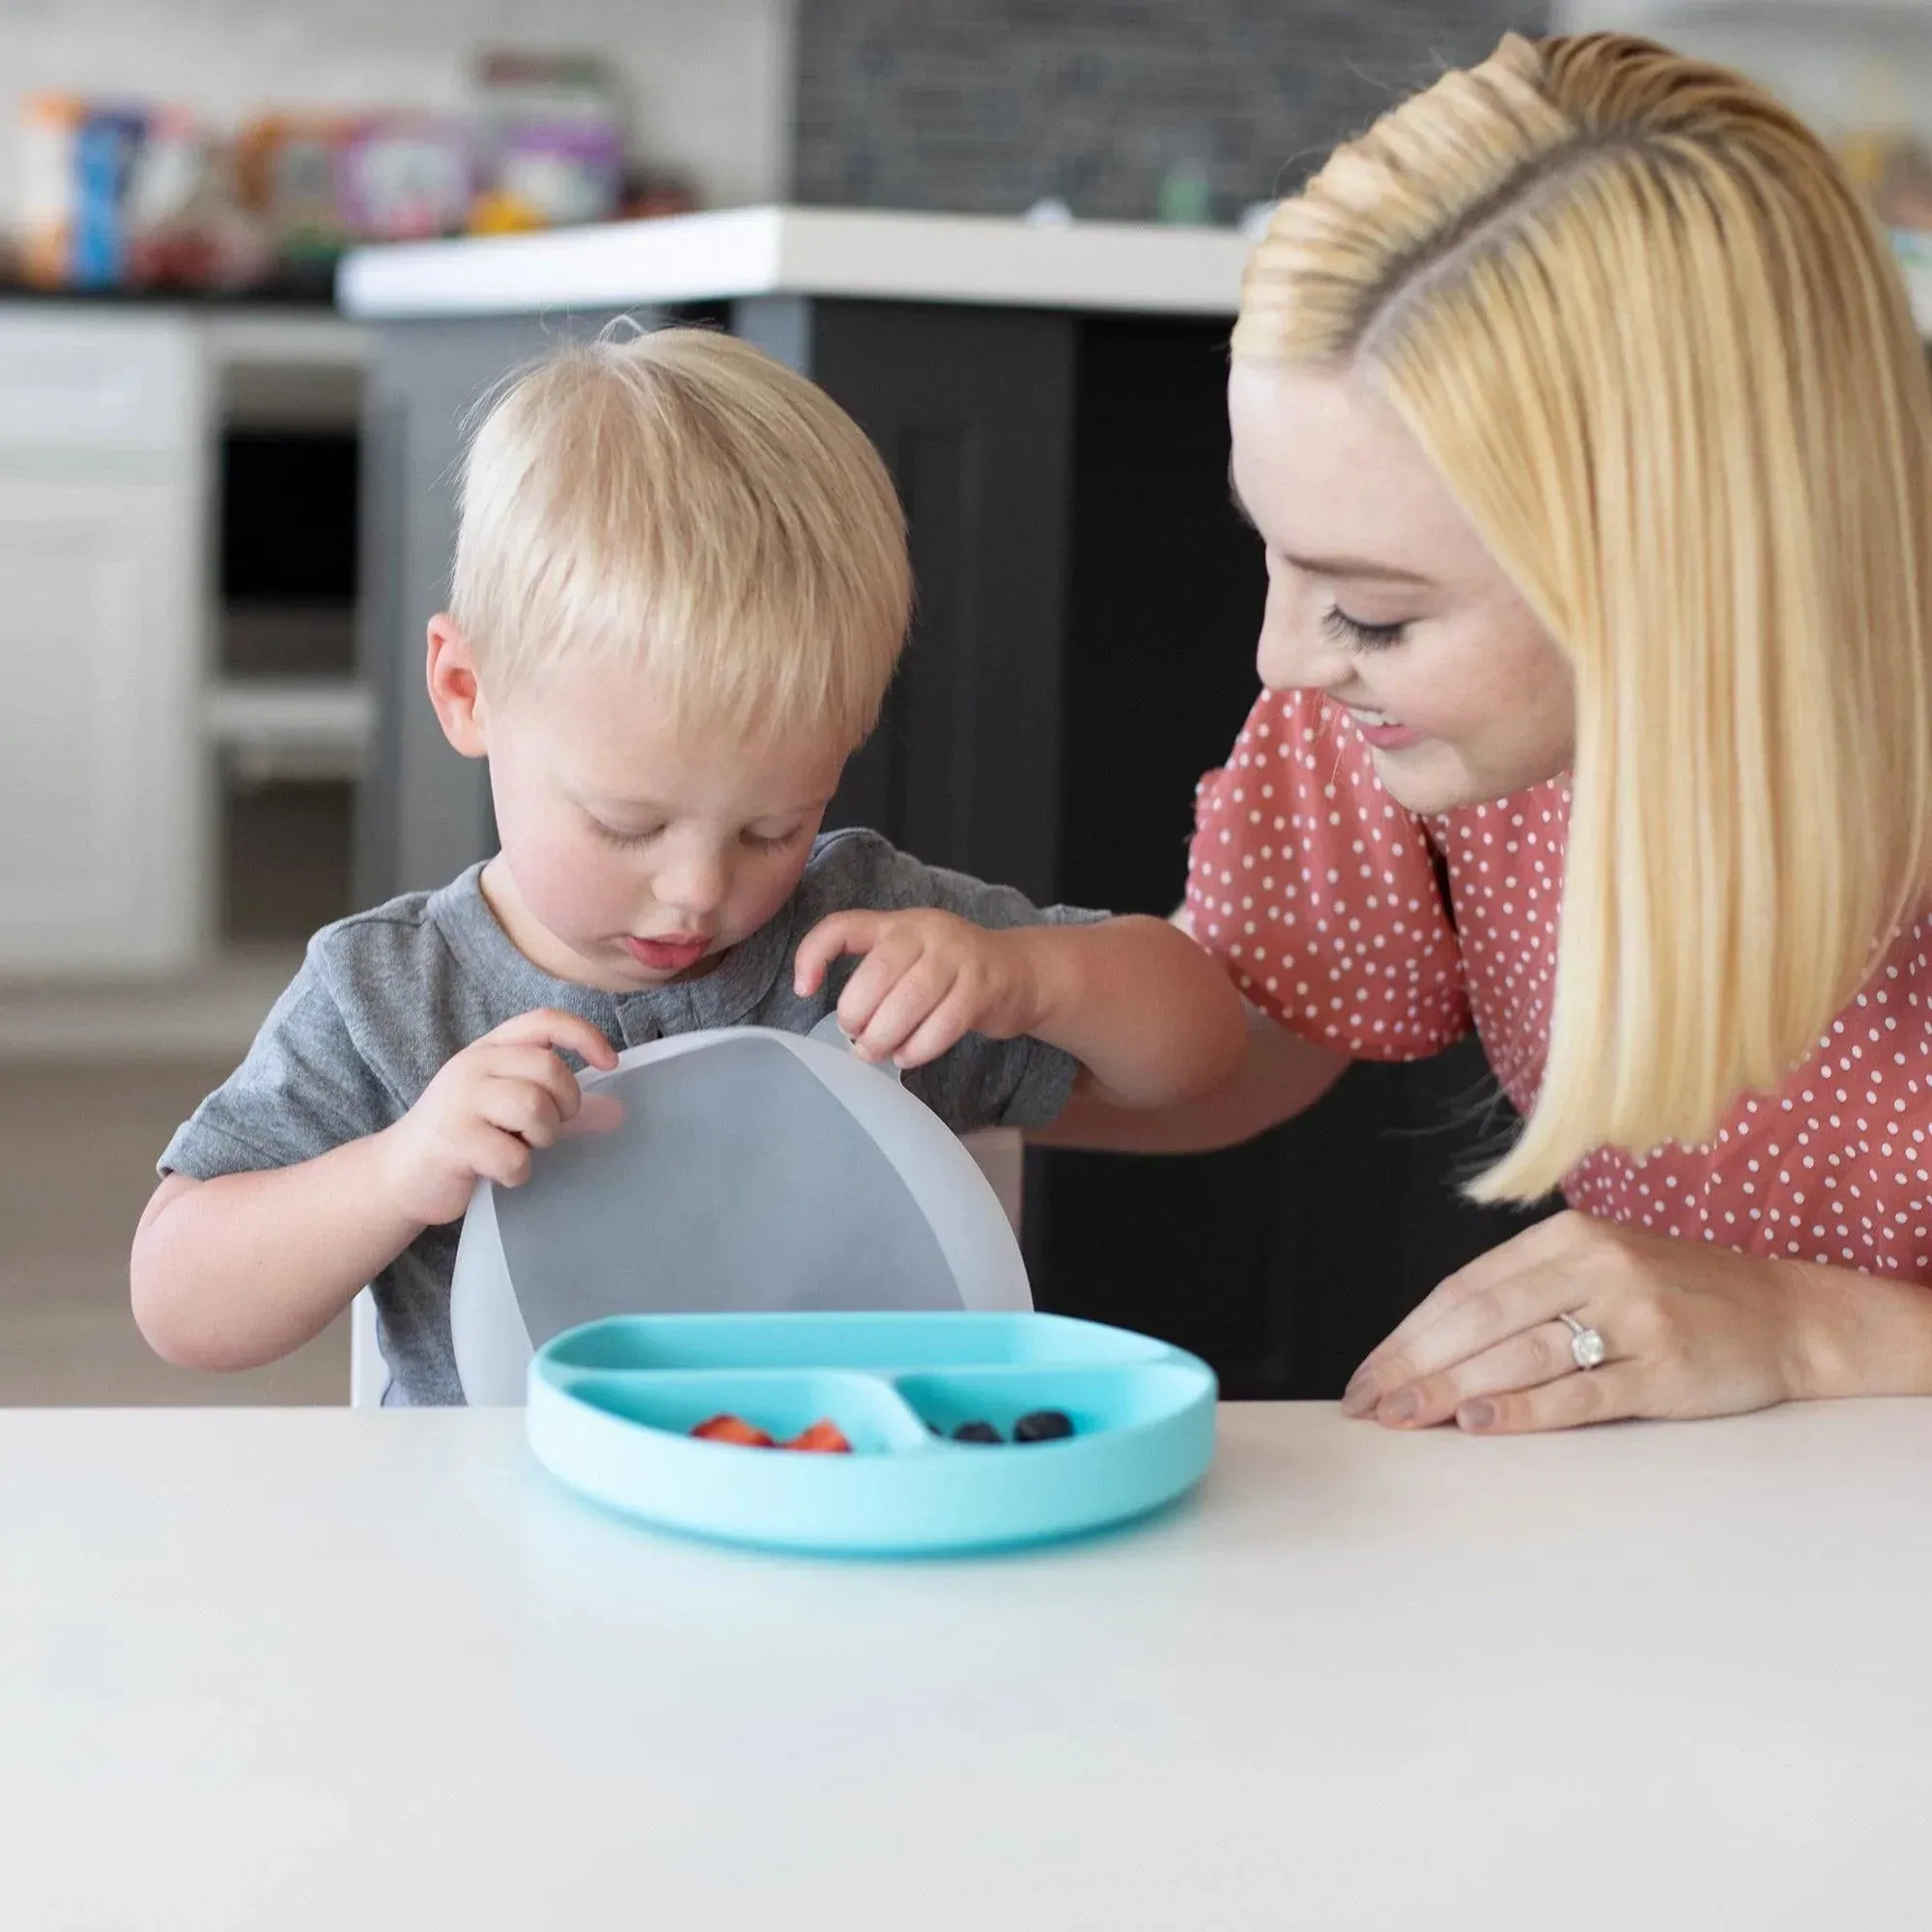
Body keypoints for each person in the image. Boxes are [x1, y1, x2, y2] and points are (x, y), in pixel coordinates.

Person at [1044, 31, 1932, 1432]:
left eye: (1377, 614)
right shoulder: (1399, 721)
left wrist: (1812, 1331)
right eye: (1276, 559)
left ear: (1684, 574)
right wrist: (929, 1048)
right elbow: (1261, 1025)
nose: (1283, 659)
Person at [130, 329, 1246, 1404]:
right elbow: (179, 1299)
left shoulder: (864, 935)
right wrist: (393, 1170)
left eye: (773, 825)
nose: (697, 890)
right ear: (466, 692)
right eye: (626, 824)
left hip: (821, 1520)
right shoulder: (388, 995)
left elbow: (1201, 1047)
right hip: (500, 1559)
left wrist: (1030, 975)